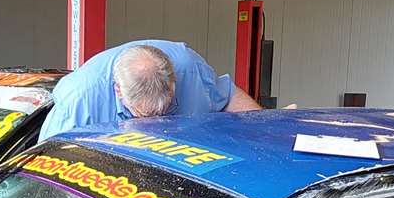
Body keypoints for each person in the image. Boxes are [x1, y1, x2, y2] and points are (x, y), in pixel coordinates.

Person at [38, 40, 261, 140]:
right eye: (144, 115)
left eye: (165, 110)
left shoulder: (190, 71)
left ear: (174, 82)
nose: (155, 125)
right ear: (118, 91)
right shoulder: (79, 102)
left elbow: (229, 97)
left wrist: (267, 126)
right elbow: (47, 167)